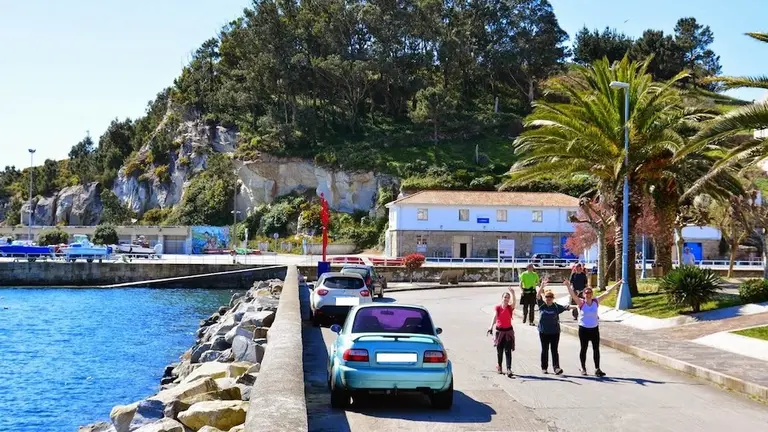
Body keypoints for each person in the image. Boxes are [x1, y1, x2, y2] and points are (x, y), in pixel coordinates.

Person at [565, 278, 622, 377]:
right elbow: (573, 295)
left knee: (596, 349)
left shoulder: (596, 301)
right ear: (584, 294)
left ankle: (597, 369)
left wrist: (618, 283)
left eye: (590, 293)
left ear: (592, 294)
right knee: (584, 348)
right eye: (586, 293)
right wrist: (567, 286)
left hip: (594, 329)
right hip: (583, 329)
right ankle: (583, 368)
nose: (588, 294)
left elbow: (607, 293)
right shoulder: (581, 303)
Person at [536, 278, 572, 375]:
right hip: (543, 332)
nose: (548, 298)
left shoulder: (556, 306)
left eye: (550, 297)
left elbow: (566, 307)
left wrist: (579, 306)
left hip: (555, 332)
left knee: (554, 350)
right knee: (544, 350)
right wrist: (542, 286)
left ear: (553, 298)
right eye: (547, 297)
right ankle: (544, 368)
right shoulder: (542, 305)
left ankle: (556, 368)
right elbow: (538, 296)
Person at [487, 288, 517, 377]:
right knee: (499, 351)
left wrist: (513, 293)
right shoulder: (498, 308)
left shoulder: (509, 308)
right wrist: (490, 326)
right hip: (499, 332)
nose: (506, 299)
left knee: (508, 351)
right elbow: (495, 317)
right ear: (502, 298)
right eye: (505, 297)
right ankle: (499, 366)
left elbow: (514, 303)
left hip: (508, 332)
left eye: (508, 297)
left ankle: (509, 369)